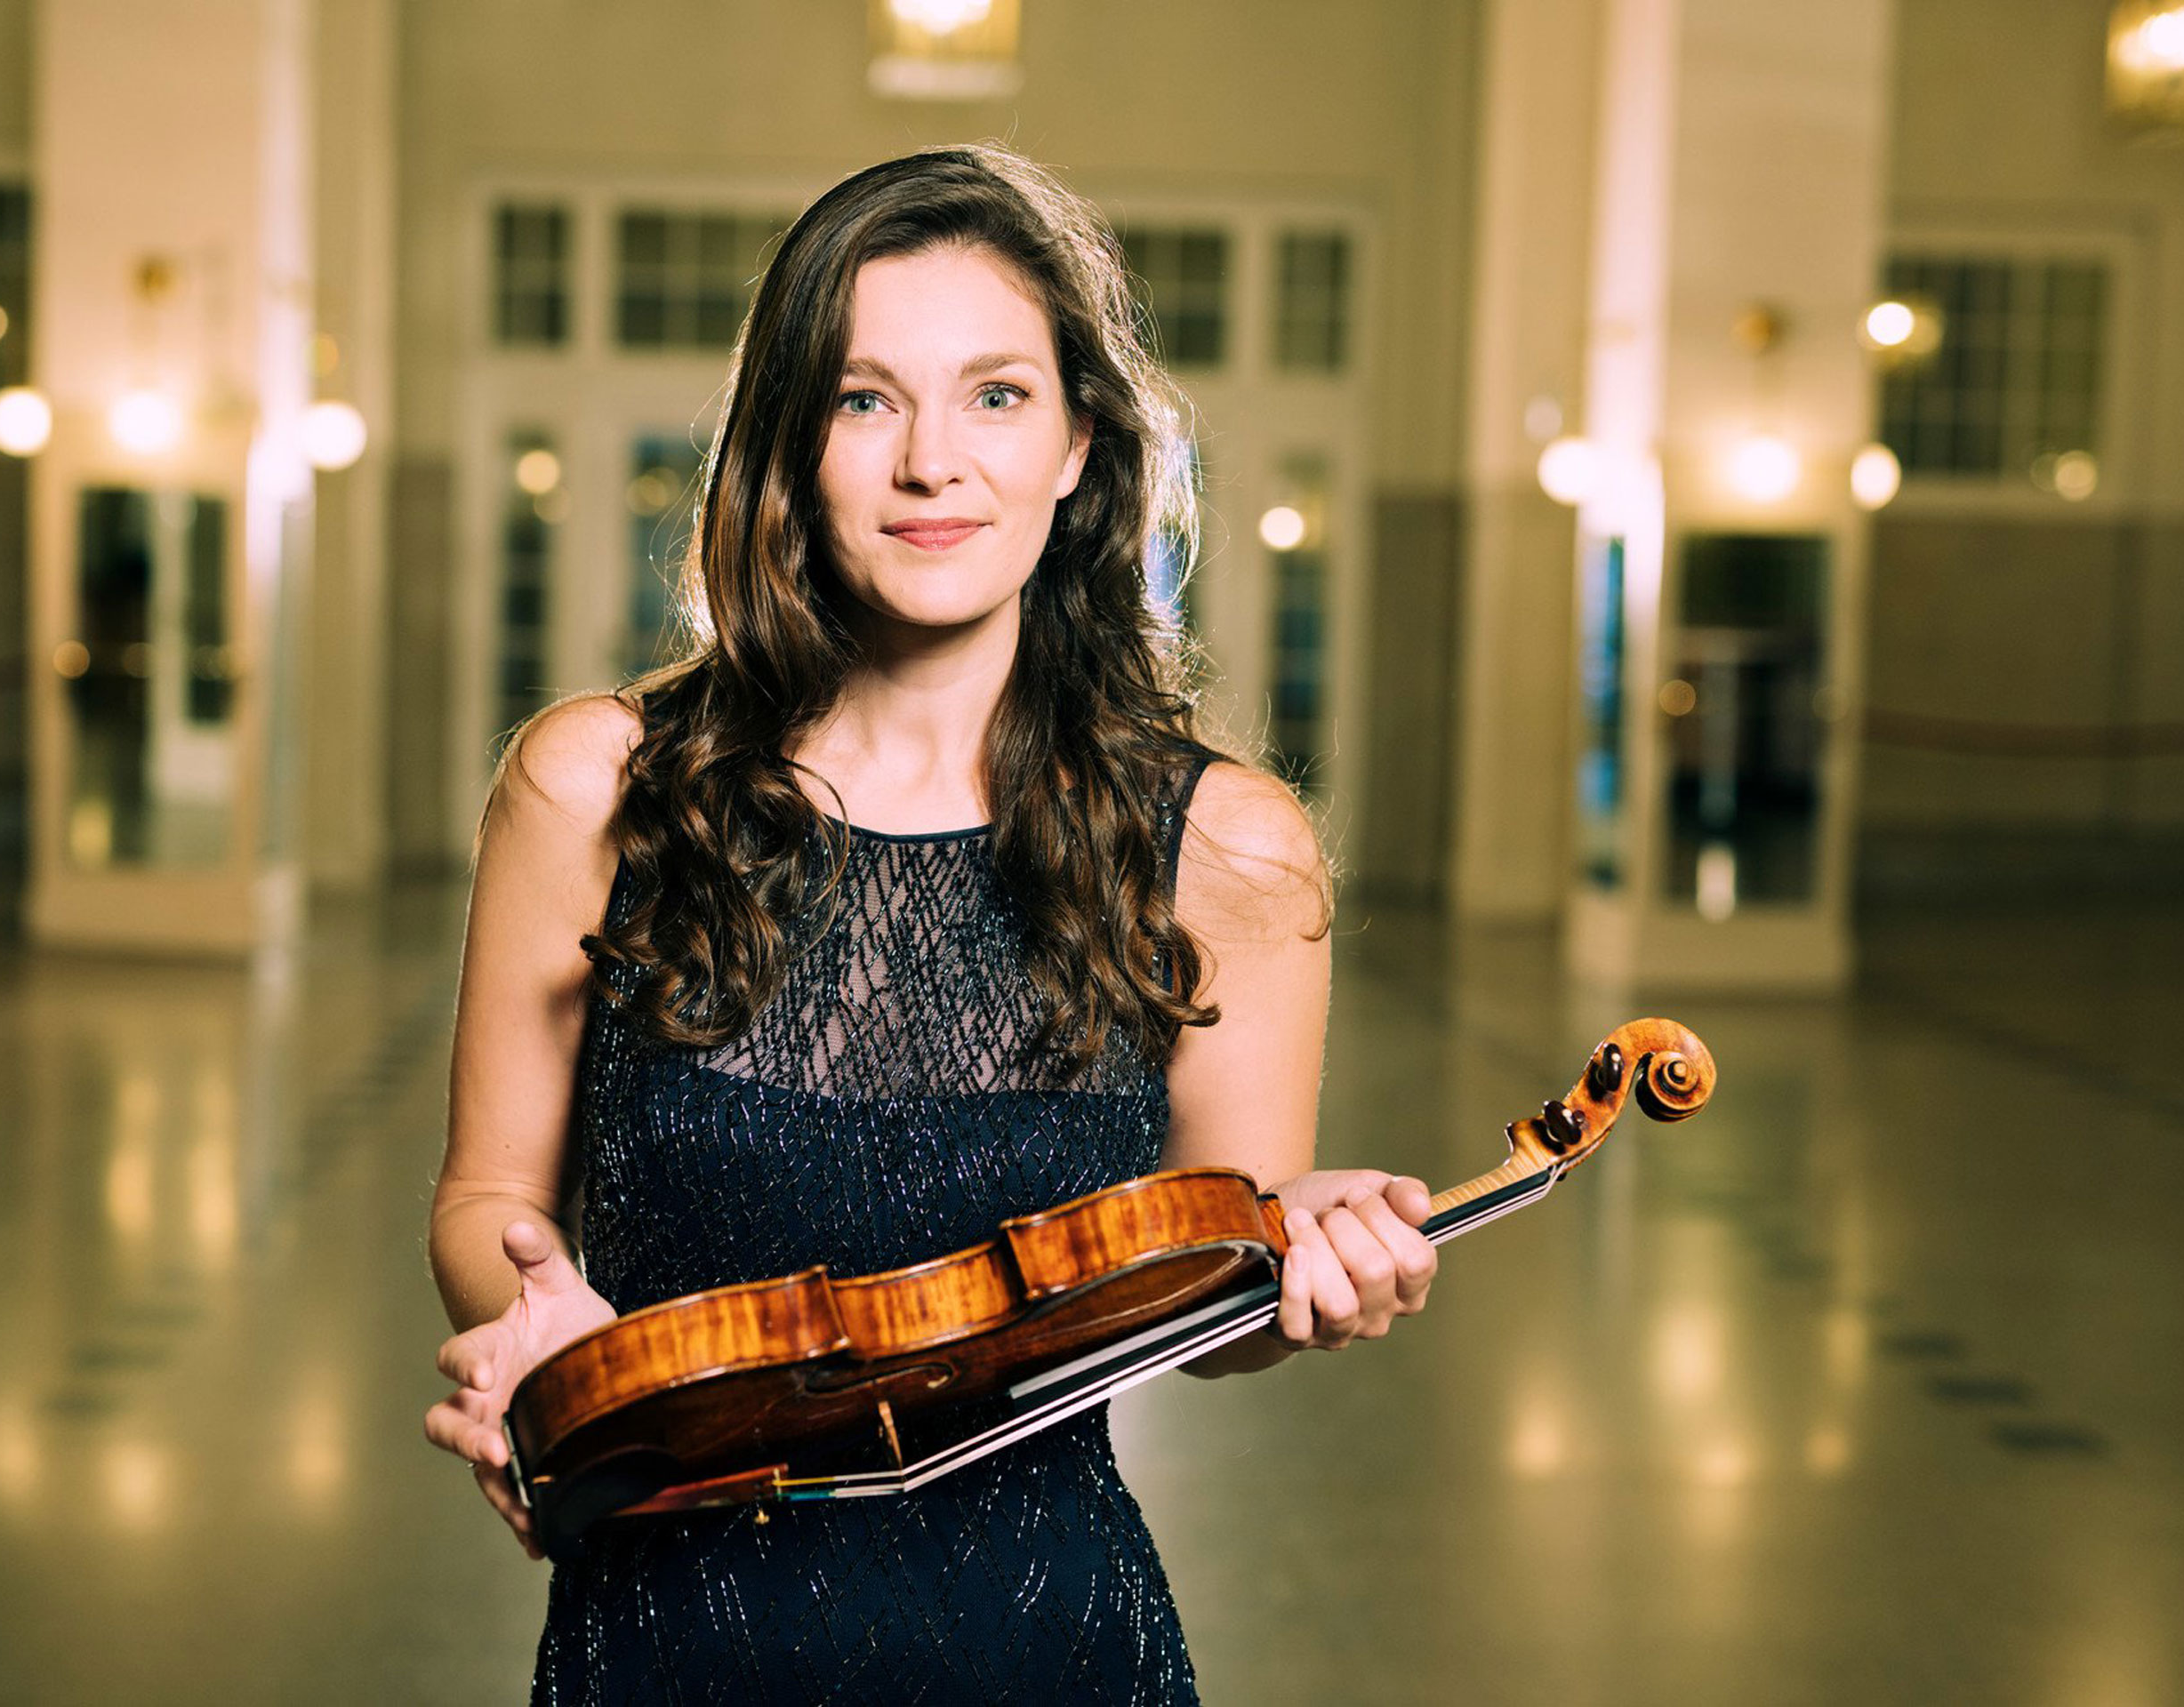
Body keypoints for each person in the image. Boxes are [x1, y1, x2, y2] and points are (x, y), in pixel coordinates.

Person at [422, 141, 1439, 1704]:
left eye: (998, 395)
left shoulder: (1224, 849)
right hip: (669, 1649)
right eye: (863, 397)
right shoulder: (598, 788)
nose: (931, 464)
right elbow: (490, 1191)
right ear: (789, 444)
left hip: (1050, 1643)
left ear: (1081, 448)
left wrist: (1301, 1277)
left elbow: (1205, 1318)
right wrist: (545, 1341)